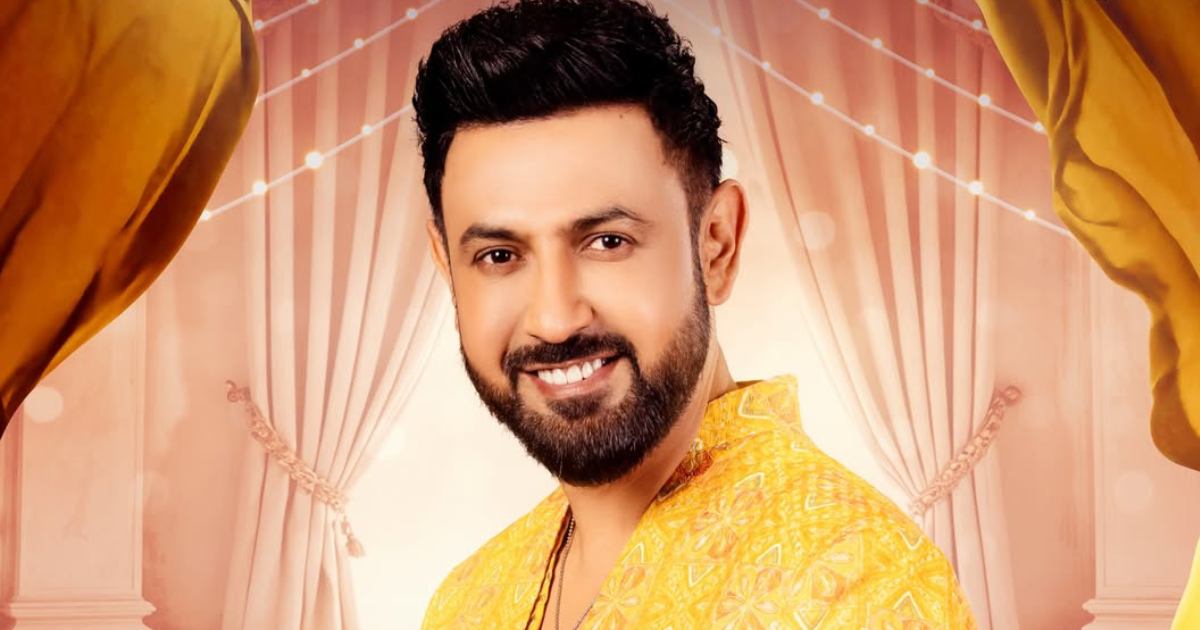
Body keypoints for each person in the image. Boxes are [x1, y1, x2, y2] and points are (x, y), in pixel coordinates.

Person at [412, 1, 974, 627]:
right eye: (499, 255)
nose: (555, 318)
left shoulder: (851, 579)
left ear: (716, 246)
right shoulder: (467, 599)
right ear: (447, 266)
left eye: (607, 242)